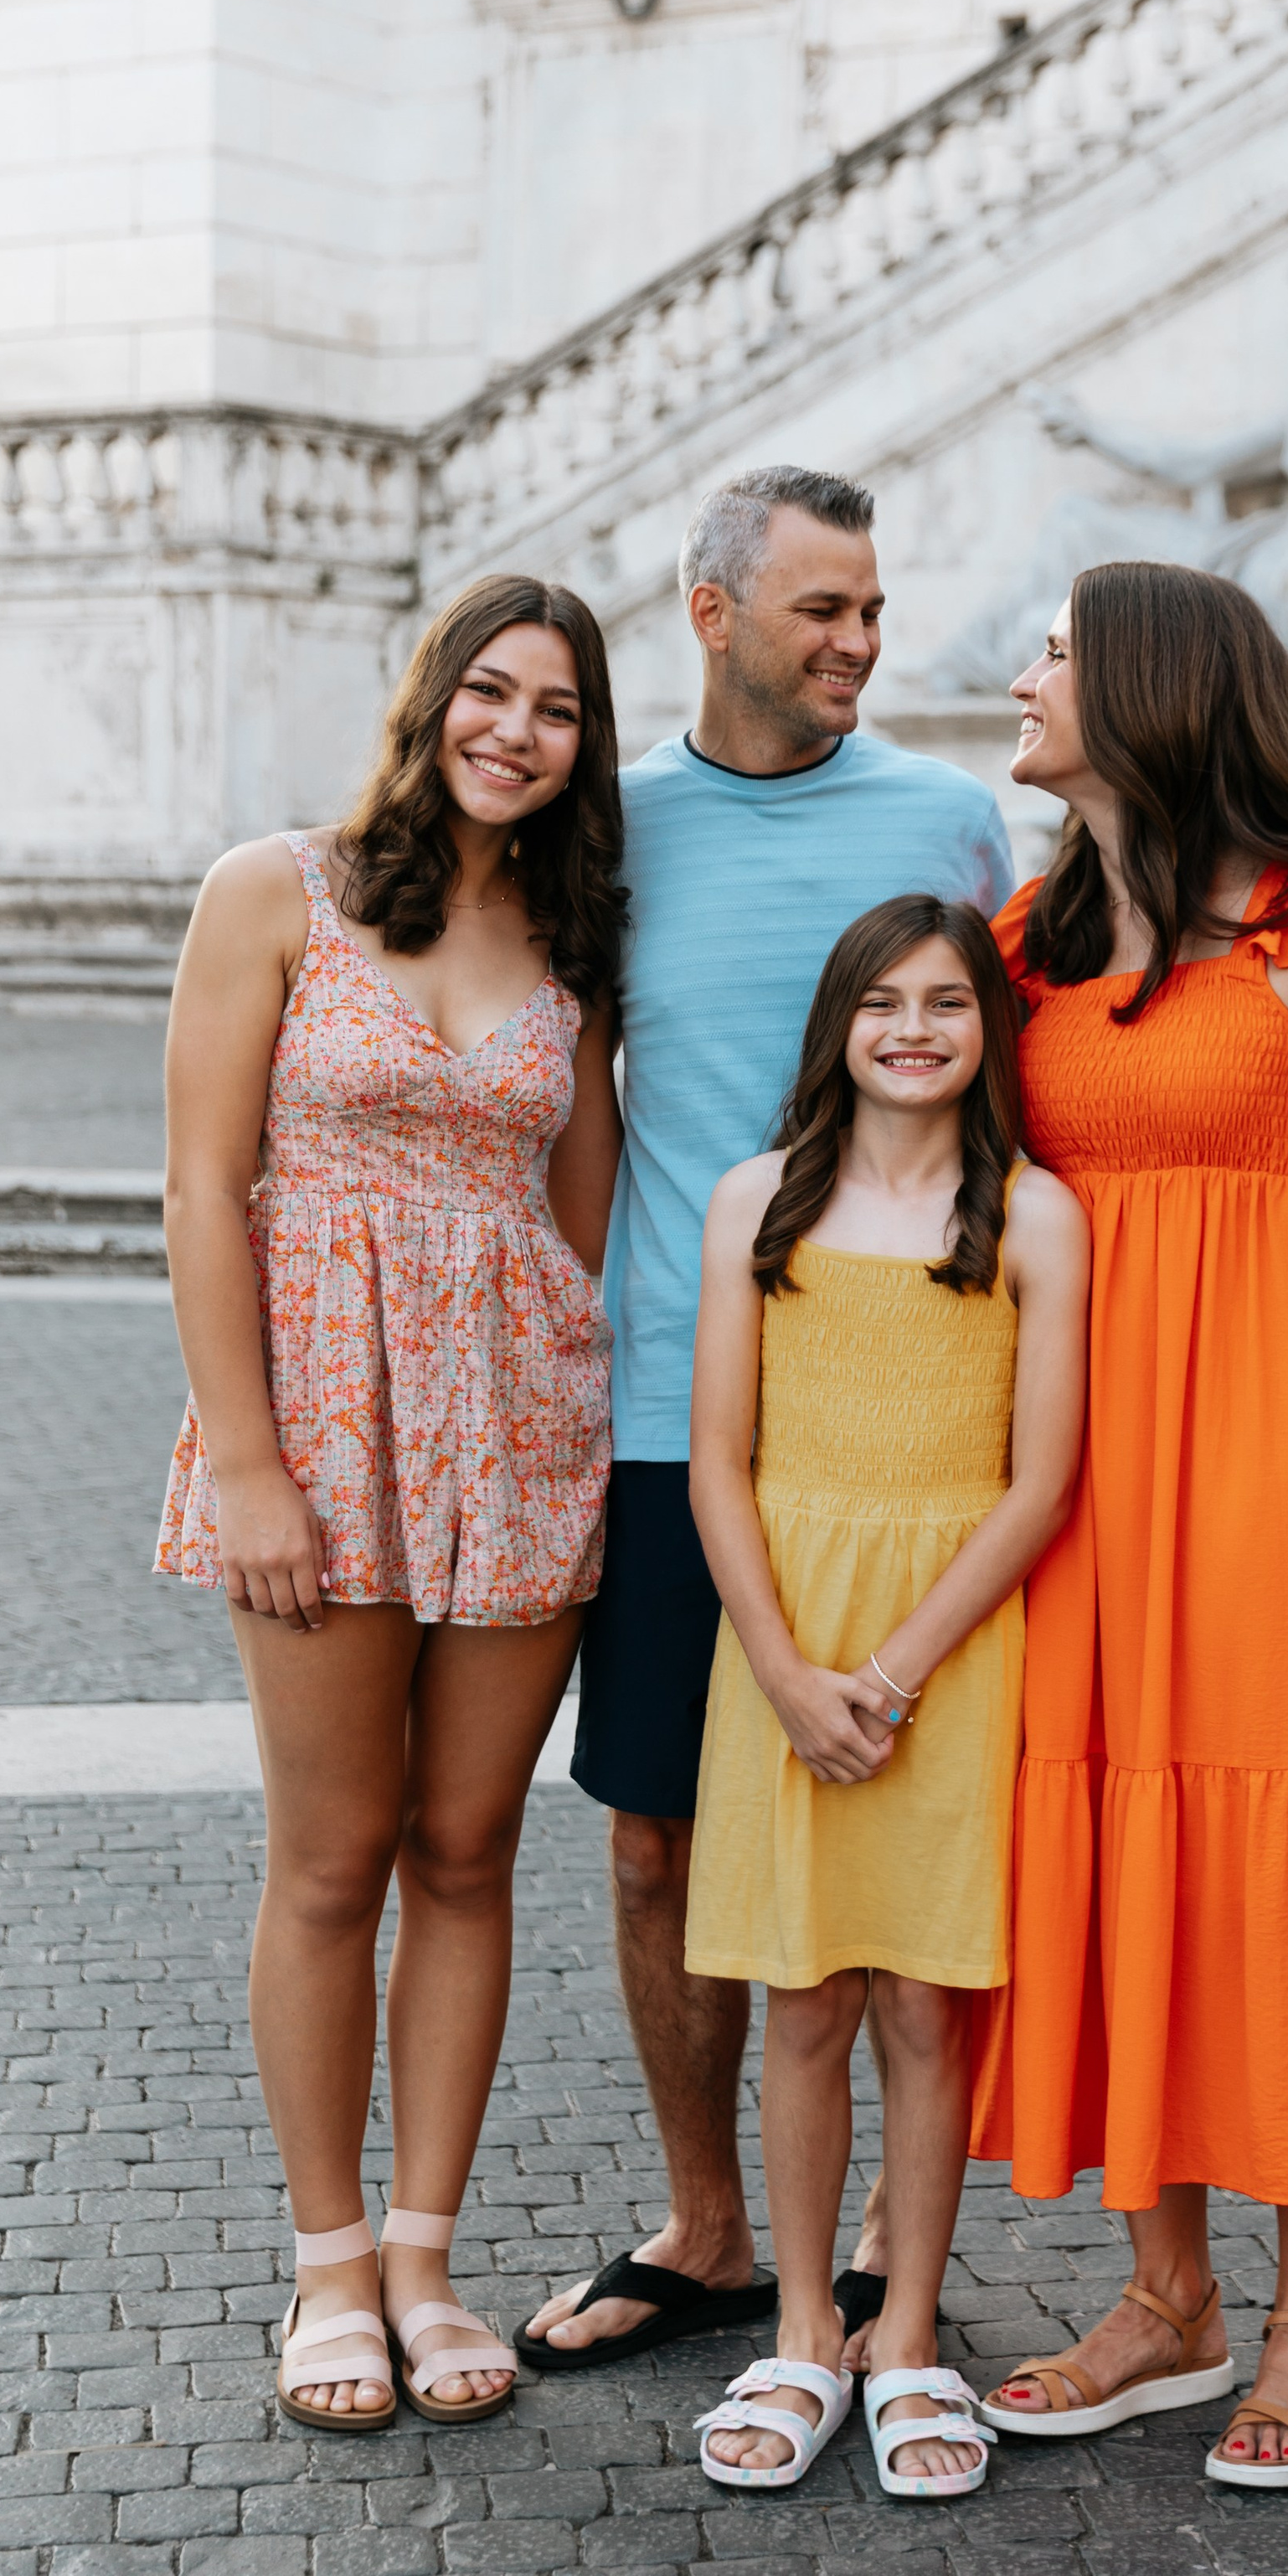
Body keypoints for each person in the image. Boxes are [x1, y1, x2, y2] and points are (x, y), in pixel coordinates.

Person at [521, 467, 1017, 2375]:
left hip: (901, 1432)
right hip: (668, 1411)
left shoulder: (946, 823)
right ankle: (709, 2223)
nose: (859, 643)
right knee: (654, 1845)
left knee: (892, 1837)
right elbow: (553, 1084)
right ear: (709, 612)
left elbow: (1004, 1104)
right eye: (822, 609)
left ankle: (893, 2228)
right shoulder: (608, 830)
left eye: (874, 609)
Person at [156, 575, 626, 2433]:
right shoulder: (274, 890)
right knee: (333, 1862)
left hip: (515, 1438)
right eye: (490, 692)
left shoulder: (578, 938)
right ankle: (328, 2265)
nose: (516, 730)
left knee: (467, 1853)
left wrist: (521, 1371)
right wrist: (255, 1461)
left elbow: (574, 1213)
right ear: (431, 696)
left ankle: (431, 2261)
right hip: (322, 1446)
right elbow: (203, 1189)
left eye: (559, 710)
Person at [970, 559, 1288, 2491]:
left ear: (1150, 685)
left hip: (1279, 1446)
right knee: (1093, 1818)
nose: (1017, 677)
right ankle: (1168, 2293)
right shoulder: (1024, 940)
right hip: (1076, 1457)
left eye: (1052, 653)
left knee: (1276, 1826)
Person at [682, 897, 1088, 2497]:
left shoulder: (1037, 1216)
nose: (915, 1029)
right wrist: (788, 1673)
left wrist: (895, 1675)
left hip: (949, 1646)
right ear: (838, 1021)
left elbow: (1040, 1480)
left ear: (991, 1031)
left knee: (924, 2002)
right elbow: (721, 1458)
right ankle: (797, 2329)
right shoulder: (753, 1203)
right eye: (884, 1002)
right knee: (804, 1999)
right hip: (779, 1637)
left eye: (949, 1004)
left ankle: (906, 2331)